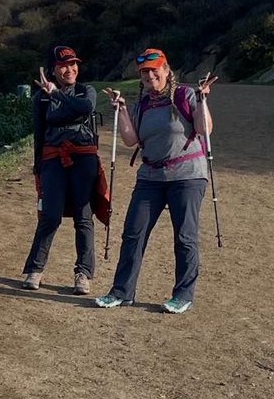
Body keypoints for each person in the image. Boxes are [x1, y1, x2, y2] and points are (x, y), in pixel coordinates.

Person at [95, 48, 218, 314]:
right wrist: (122, 110)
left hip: (187, 176)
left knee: (184, 237)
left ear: (166, 70)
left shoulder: (184, 94)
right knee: (133, 233)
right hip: (150, 176)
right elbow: (131, 140)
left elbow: (203, 129)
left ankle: (182, 295)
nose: (150, 75)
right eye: (145, 72)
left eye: (155, 70)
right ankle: (121, 292)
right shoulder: (143, 104)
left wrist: (201, 97)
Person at [21, 44, 99, 295]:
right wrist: (37, 170)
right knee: (50, 216)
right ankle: (35, 269)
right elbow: (39, 134)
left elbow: (84, 109)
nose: (70, 69)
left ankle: (83, 273)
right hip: (52, 159)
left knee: (83, 217)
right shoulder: (41, 98)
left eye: (73, 64)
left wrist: (56, 93)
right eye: (64, 65)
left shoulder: (86, 91)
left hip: (83, 159)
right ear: (54, 69)